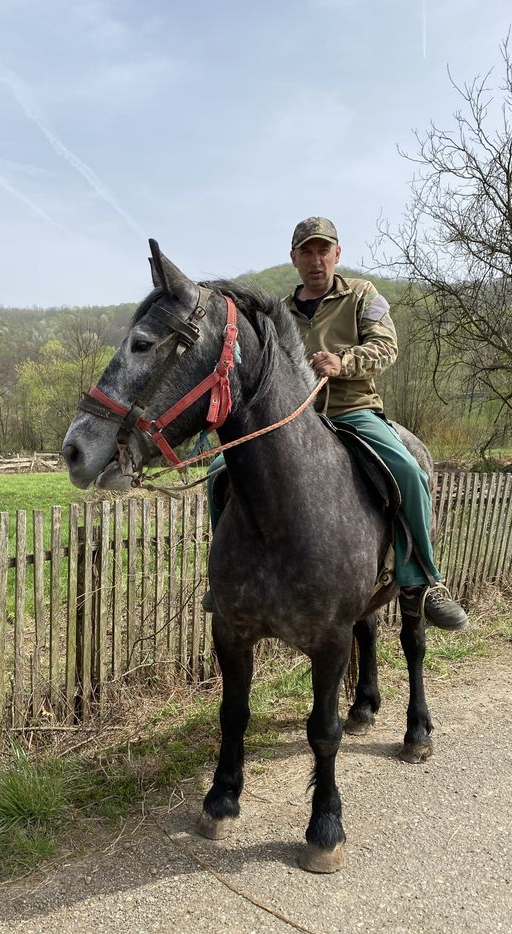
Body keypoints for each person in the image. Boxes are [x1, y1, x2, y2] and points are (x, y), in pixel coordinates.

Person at [203, 216, 468, 631]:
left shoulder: (363, 294)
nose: (316, 259)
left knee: (409, 472)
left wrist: (343, 362)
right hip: (293, 422)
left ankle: (423, 580)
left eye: (323, 250)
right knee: (219, 472)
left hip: (354, 410)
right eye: (306, 252)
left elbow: (387, 345)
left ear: (337, 253)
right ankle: (224, 577)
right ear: (293, 259)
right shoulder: (279, 313)